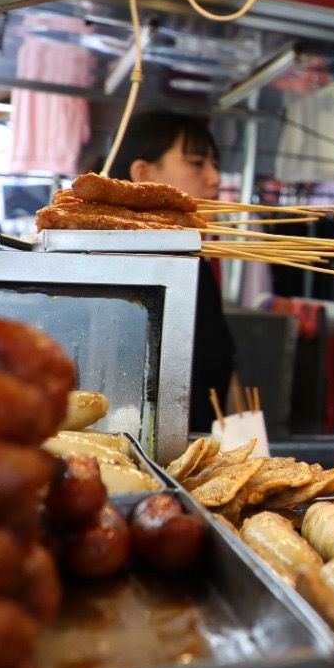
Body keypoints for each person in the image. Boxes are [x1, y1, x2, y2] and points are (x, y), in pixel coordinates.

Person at [107, 111, 238, 432]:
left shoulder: (195, 264)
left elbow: (219, 363)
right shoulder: (110, 268)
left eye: (215, 165)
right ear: (143, 173)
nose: (215, 179)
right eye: (197, 163)